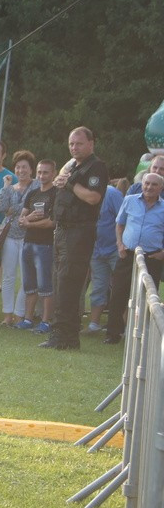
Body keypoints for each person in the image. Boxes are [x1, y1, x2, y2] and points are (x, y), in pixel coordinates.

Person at [42, 127, 109, 350]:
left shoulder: (96, 167)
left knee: (69, 283)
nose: (74, 147)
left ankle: (65, 336)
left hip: (79, 231)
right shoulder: (71, 165)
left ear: (91, 143)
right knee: (59, 282)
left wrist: (70, 184)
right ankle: (61, 335)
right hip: (62, 230)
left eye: (79, 143)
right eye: (71, 144)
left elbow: (92, 197)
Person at [103, 173, 164, 344]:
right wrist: (119, 244)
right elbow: (120, 223)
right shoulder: (129, 200)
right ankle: (113, 334)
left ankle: (144, 334)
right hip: (127, 254)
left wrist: (162, 253)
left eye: (153, 184)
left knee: (147, 297)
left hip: (151, 257)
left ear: (161, 188)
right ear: (142, 184)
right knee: (118, 294)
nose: (149, 187)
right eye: (146, 183)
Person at [16, 159, 58, 332]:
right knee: (29, 284)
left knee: (45, 285)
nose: (42, 176)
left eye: (46, 172)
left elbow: (52, 222)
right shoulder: (33, 193)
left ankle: (46, 321)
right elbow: (21, 218)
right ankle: (28, 319)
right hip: (28, 243)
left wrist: (29, 222)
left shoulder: (57, 194)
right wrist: (26, 220)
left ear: (54, 174)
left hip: (45, 245)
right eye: (40, 172)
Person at [0, 150, 37, 326]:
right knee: (8, 276)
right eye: (18, 167)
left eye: (24, 167)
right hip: (10, 236)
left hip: (29, 236)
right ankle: (7, 314)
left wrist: (14, 209)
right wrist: (5, 187)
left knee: (26, 277)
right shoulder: (10, 187)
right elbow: (1, 207)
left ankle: (20, 313)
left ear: (31, 170)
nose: (21, 171)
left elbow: (32, 207)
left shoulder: (36, 187)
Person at [85, 178, 125, 334]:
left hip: (115, 249)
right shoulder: (85, 195)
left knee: (120, 287)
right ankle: (94, 325)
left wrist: (121, 244)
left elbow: (123, 219)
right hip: (96, 250)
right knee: (98, 287)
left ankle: (123, 327)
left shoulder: (112, 194)